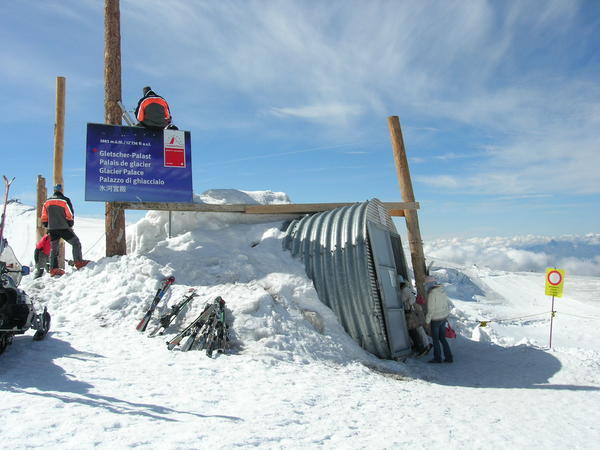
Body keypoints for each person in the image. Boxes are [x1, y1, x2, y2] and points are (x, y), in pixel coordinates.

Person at [40, 184, 88, 277]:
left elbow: (44, 215)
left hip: (52, 228)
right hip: (63, 227)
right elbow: (69, 213)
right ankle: (78, 262)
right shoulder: (65, 200)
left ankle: (53, 269)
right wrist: (70, 222)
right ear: (61, 190)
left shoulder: (47, 202)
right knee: (75, 243)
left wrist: (46, 223)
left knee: (54, 249)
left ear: (54, 191)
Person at [424, 276, 453, 363]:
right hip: (443, 317)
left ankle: (437, 358)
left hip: (435, 319)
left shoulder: (432, 293)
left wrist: (427, 321)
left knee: (435, 339)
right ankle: (449, 357)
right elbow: (447, 304)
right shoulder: (442, 290)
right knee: (442, 338)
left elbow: (431, 309)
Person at [399, 276, 431, 356]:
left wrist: (407, 303)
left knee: (416, 330)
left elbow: (411, 300)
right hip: (411, 312)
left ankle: (422, 347)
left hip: (410, 313)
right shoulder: (405, 289)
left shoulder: (404, 290)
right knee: (416, 330)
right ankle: (423, 346)